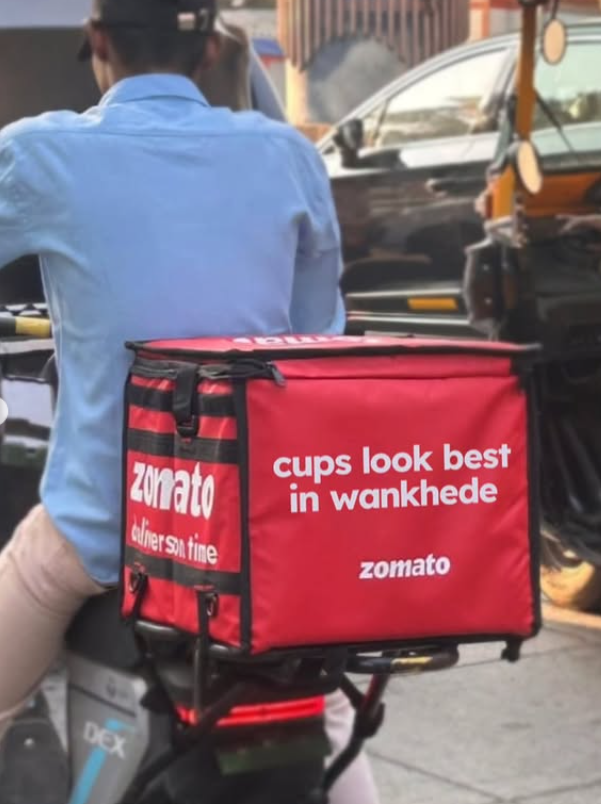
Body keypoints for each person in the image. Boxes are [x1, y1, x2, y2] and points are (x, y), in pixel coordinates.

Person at [0, 0, 378, 801]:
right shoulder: (286, 155)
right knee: (332, 714)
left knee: (27, 596)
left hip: (108, 526)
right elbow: (315, 335)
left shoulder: (40, 154)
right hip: (255, 528)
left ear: (96, 41)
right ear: (211, 50)